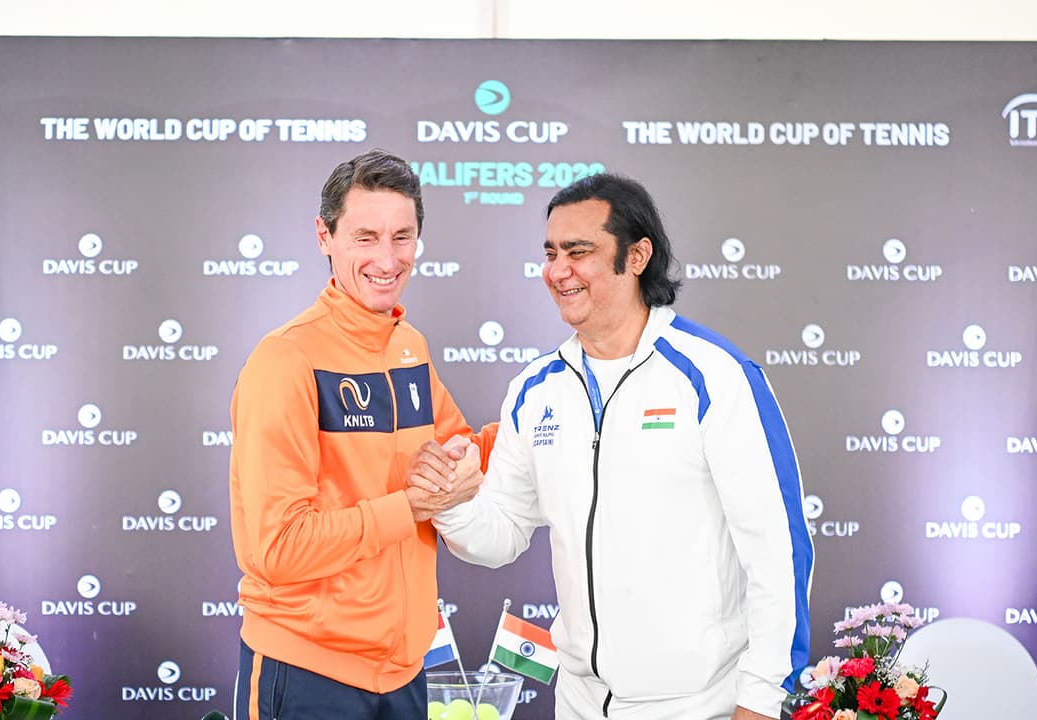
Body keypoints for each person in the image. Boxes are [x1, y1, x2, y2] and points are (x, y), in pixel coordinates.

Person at [429, 173, 814, 720]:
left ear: (636, 257)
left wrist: (762, 699)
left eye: (578, 252)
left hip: (700, 706)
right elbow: (501, 534)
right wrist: (450, 501)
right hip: (578, 703)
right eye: (551, 253)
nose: (558, 271)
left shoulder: (714, 376)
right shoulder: (536, 389)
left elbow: (777, 550)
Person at [228, 149, 489, 720]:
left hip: (404, 672)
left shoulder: (408, 346)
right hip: (307, 672)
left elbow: (462, 446)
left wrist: (518, 430)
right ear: (325, 236)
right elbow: (277, 548)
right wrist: (409, 507)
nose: (387, 259)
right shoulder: (286, 359)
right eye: (365, 237)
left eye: (403, 237)